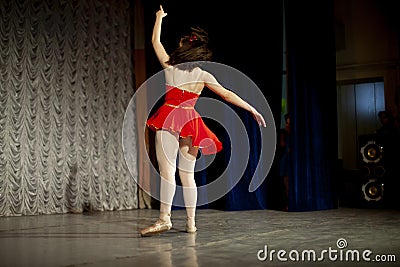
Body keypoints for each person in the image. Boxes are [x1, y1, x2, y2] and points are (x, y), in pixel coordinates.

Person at [140, 5, 266, 237]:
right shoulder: (203, 74)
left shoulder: (169, 66)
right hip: (190, 121)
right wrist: (251, 108)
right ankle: (191, 223)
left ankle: (164, 218)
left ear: (184, 48)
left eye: (180, 43)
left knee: (168, 172)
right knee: (188, 175)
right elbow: (227, 94)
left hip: (169, 118)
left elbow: (155, 42)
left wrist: (159, 18)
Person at [278, 113, 290, 211]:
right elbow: (282, 145)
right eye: (286, 123)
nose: (287, 125)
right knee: (286, 183)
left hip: (292, 160)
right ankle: (287, 203)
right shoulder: (284, 134)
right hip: (285, 160)